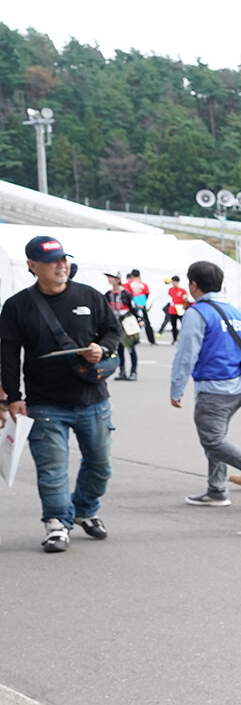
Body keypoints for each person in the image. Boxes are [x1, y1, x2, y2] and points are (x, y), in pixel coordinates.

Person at [0, 234, 119, 553]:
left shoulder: (91, 296)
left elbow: (112, 331)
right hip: (44, 403)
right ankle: (56, 523)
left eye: (64, 259)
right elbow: (8, 355)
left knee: (101, 464)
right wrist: (10, 398)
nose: (61, 265)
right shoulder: (16, 306)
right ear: (32, 265)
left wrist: (102, 348)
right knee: (52, 469)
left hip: (93, 400)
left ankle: (84, 509)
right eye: (52, 261)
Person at [169, 260, 241, 507]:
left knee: (212, 441)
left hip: (214, 387)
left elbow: (186, 354)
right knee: (217, 438)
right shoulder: (236, 313)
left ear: (193, 284)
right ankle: (216, 489)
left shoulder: (197, 313)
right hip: (237, 387)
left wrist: (176, 388)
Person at [128, 270, 154, 344]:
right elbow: (147, 294)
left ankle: (135, 340)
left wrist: (135, 304)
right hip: (142, 304)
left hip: (133, 305)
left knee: (133, 322)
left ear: (132, 275)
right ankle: (151, 340)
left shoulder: (128, 284)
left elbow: (127, 295)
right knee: (147, 322)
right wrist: (142, 303)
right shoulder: (144, 284)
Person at [161, 274, 188, 343]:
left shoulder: (182, 290)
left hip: (180, 309)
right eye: (172, 281)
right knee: (173, 325)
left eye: (174, 282)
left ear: (177, 282)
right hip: (172, 309)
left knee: (184, 324)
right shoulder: (170, 290)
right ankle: (174, 339)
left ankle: (184, 337)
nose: (173, 283)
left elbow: (186, 299)